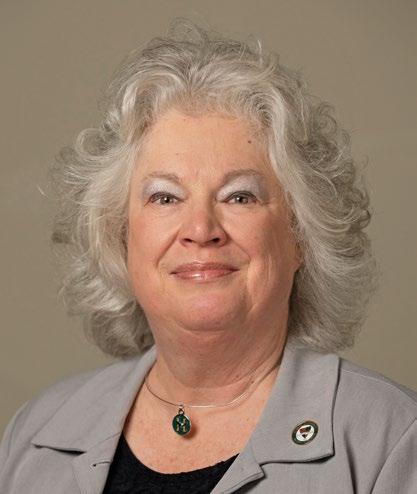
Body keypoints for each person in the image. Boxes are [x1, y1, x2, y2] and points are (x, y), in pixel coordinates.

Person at [1, 18, 416, 494]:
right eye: (165, 197)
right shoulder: (34, 436)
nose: (201, 230)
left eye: (239, 196)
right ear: (120, 235)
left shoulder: (392, 440)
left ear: (300, 235)